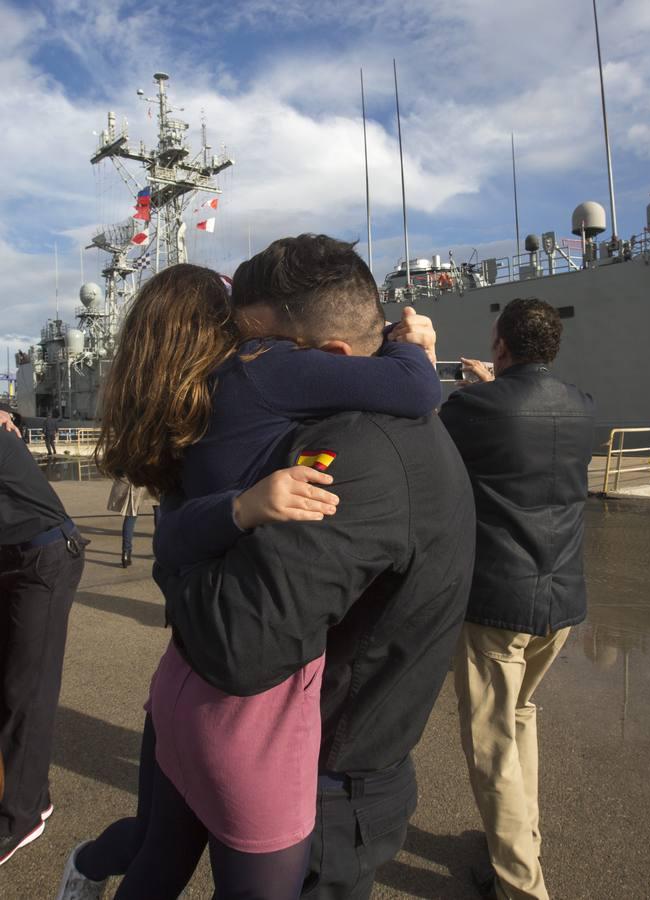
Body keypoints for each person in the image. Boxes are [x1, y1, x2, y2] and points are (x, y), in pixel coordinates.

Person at [58, 243, 455, 900]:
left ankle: (87, 869)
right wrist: (409, 341)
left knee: (159, 853)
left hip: (177, 682)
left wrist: (237, 510)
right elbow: (415, 389)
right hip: (248, 707)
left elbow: (172, 541)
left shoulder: (188, 408)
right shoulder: (260, 367)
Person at [439, 298, 594, 900]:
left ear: (500, 347)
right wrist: (495, 385)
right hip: (560, 599)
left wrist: (479, 387)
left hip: (497, 604)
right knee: (520, 718)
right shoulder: (581, 406)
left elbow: (436, 449)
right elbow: (529, 427)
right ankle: (522, 838)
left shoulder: (474, 408)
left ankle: (521, 887)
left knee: (492, 745)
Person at [0, 414, 87, 867]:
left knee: (26, 690)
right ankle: (34, 793)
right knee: (10, 685)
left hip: (46, 557)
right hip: (8, 557)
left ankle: (19, 818)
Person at [107, 479, 146, 567]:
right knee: (158, 508)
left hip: (130, 478)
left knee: (131, 515)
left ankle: (126, 553)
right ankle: (161, 550)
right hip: (147, 476)